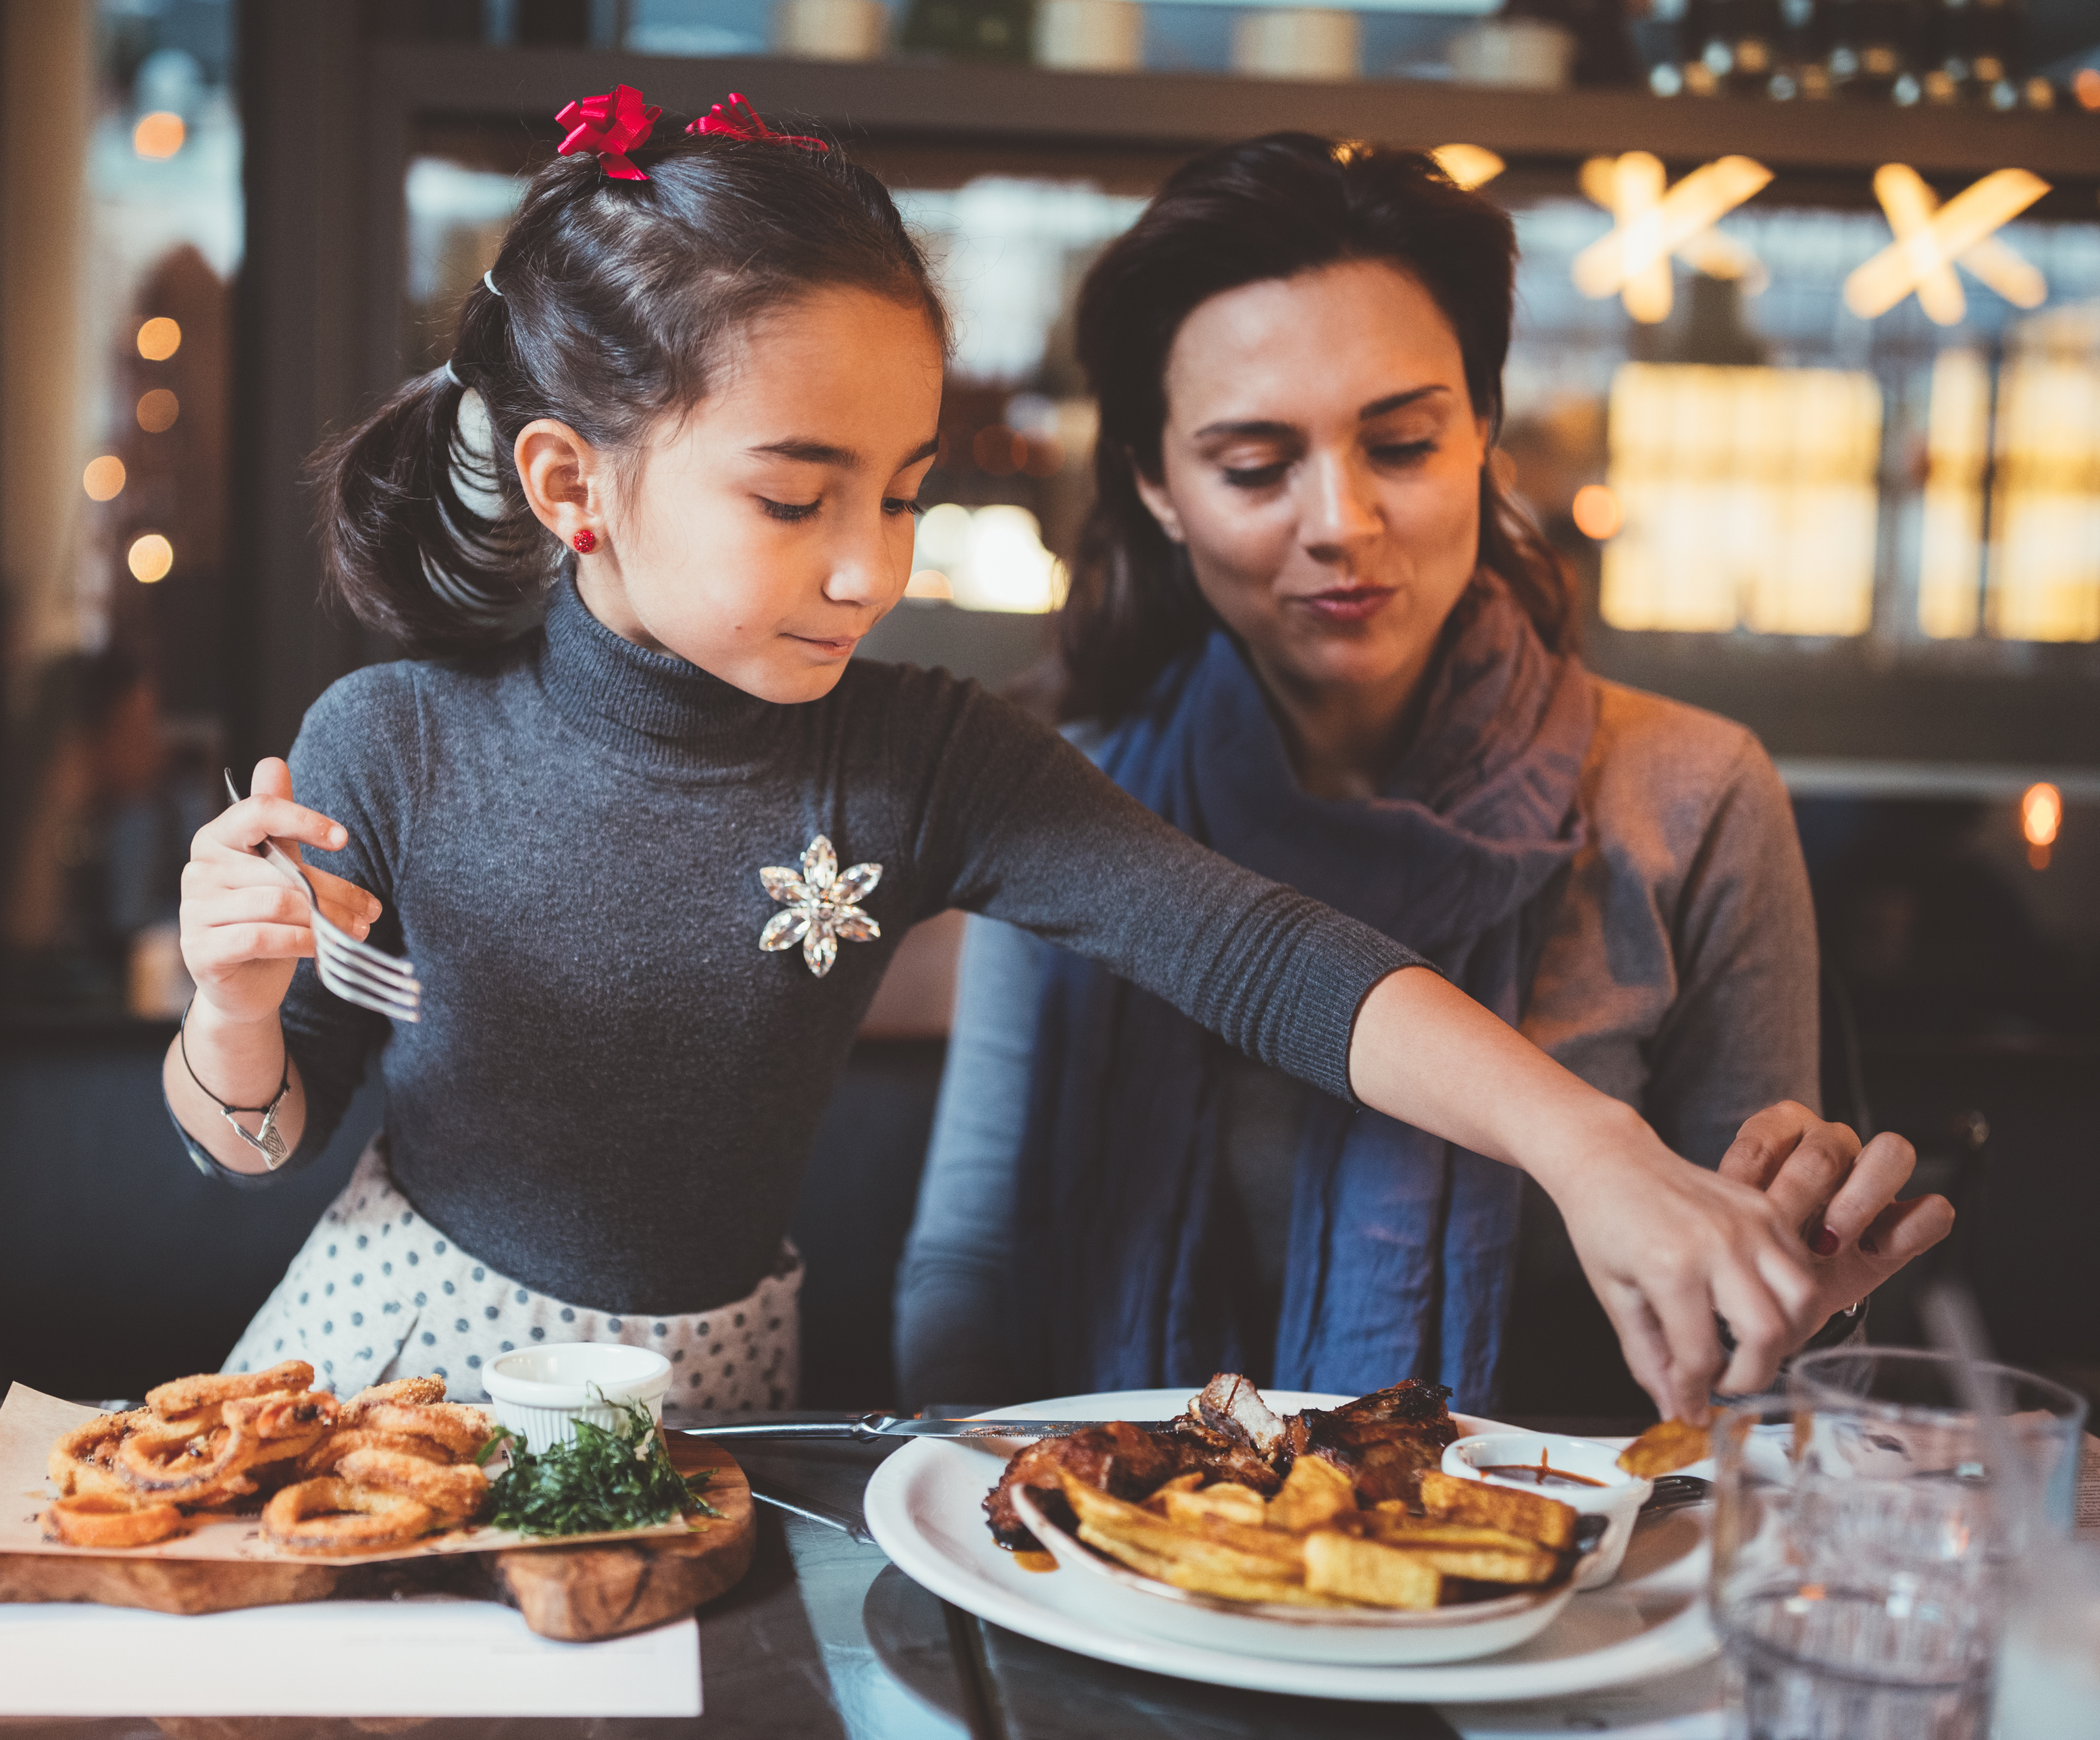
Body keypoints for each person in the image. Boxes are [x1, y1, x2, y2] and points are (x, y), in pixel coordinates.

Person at [164, 93, 1835, 1428]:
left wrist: (1590, 1146)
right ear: (566, 483)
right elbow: (264, 1138)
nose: (870, 569)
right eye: (793, 494)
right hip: (394, 1384)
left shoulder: (926, 761)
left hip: (724, 1402)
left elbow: (1258, 954)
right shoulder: (390, 742)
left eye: (901, 491)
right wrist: (232, 1013)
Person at [892, 134, 1953, 1414]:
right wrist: (995, 1516)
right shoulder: (1071, 797)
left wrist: (1782, 1298)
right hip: (1117, 1557)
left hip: (1541, 1569)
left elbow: (1741, 1341)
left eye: (1401, 445)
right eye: (1253, 466)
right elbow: (970, 1264)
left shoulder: (1690, 794)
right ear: (1158, 486)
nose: (1340, 521)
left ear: (1485, 434)